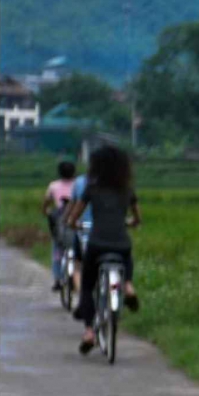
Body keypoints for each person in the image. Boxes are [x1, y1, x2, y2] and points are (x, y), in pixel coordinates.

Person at [65, 146, 141, 354]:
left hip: (97, 244)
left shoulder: (92, 188)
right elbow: (137, 219)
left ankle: (89, 332)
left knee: (87, 286)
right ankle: (128, 286)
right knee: (127, 256)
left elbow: (74, 217)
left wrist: (73, 224)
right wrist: (130, 222)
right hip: (121, 242)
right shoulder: (127, 190)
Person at [40, 160, 78, 290]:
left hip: (60, 219)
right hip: (77, 217)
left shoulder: (53, 186)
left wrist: (46, 211)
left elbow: (46, 202)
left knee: (57, 248)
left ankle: (57, 279)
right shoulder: (78, 185)